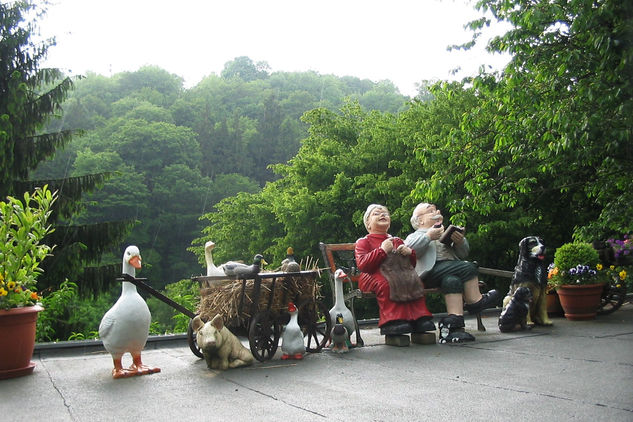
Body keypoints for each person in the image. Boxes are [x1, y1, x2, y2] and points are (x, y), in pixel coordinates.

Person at [404, 202, 499, 343]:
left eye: (436, 209)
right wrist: (428, 236)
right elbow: (411, 250)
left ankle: (454, 326)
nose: (436, 212)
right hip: (428, 274)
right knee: (468, 267)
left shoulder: (445, 232)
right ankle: (475, 302)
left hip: (449, 270)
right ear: (420, 220)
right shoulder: (415, 235)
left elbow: (464, 253)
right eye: (430, 211)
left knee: (452, 281)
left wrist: (460, 241)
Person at [354, 204, 435, 336]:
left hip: (397, 273)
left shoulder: (397, 240)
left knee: (414, 281)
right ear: (368, 223)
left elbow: (410, 265)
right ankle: (392, 321)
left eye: (385, 213)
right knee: (386, 284)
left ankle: (419, 318)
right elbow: (363, 265)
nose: (382, 215)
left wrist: (410, 253)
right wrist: (381, 251)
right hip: (372, 275)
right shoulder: (364, 242)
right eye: (376, 213)